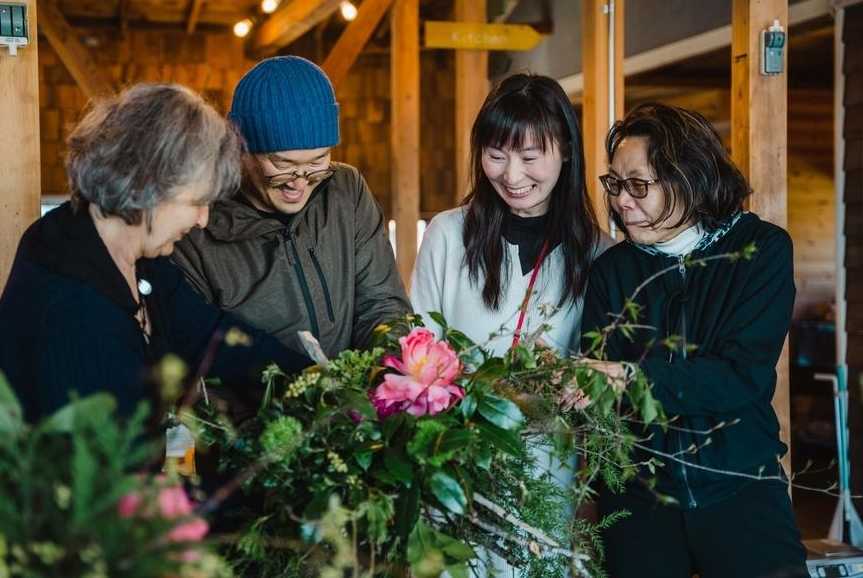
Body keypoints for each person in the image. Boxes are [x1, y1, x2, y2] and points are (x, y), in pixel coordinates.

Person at [0, 83, 311, 422]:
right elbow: (112, 469)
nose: (203, 220)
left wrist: (315, 382)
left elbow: (207, 334)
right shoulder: (74, 315)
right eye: (197, 202)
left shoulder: (138, 257)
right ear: (145, 186)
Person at [580, 102, 807, 577]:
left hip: (740, 483)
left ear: (689, 176)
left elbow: (739, 377)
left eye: (638, 185)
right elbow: (600, 388)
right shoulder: (612, 271)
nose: (622, 201)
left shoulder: (761, 251)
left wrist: (629, 377)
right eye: (615, 184)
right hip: (639, 496)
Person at [410, 73, 606, 575]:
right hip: (455, 473)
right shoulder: (448, 236)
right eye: (496, 154)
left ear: (565, 149)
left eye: (530, 155)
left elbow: (601, 382)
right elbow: (417, 355)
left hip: (549, 481)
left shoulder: (599, 255)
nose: (512, 174)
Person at [172, 56, 411, 360]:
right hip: (259, 404)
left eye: (317, 162)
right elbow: (199, 348)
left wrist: (385, 374)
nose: (299, 184)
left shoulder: (345, 190)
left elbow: (381, 303)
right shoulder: (197, 223)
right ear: (240, 146)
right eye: (282, 164)